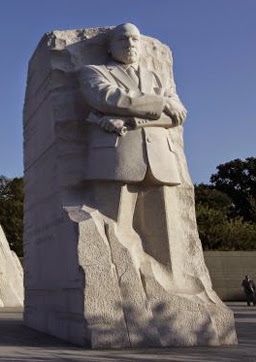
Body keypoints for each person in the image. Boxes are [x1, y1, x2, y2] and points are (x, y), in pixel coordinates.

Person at [78, 23, 188, 267]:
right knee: (115, 230)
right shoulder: (93, 72)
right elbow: (109, 98)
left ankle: (168, 287)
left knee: (166, 239)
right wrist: (160, 103)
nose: (130, 44)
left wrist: (129, 120)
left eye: (135, 39)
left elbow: (177, 115)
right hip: (117, 158)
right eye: (123, 39)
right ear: (109, 47)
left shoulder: (158, 77)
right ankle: (122, 286)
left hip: (160, 159)